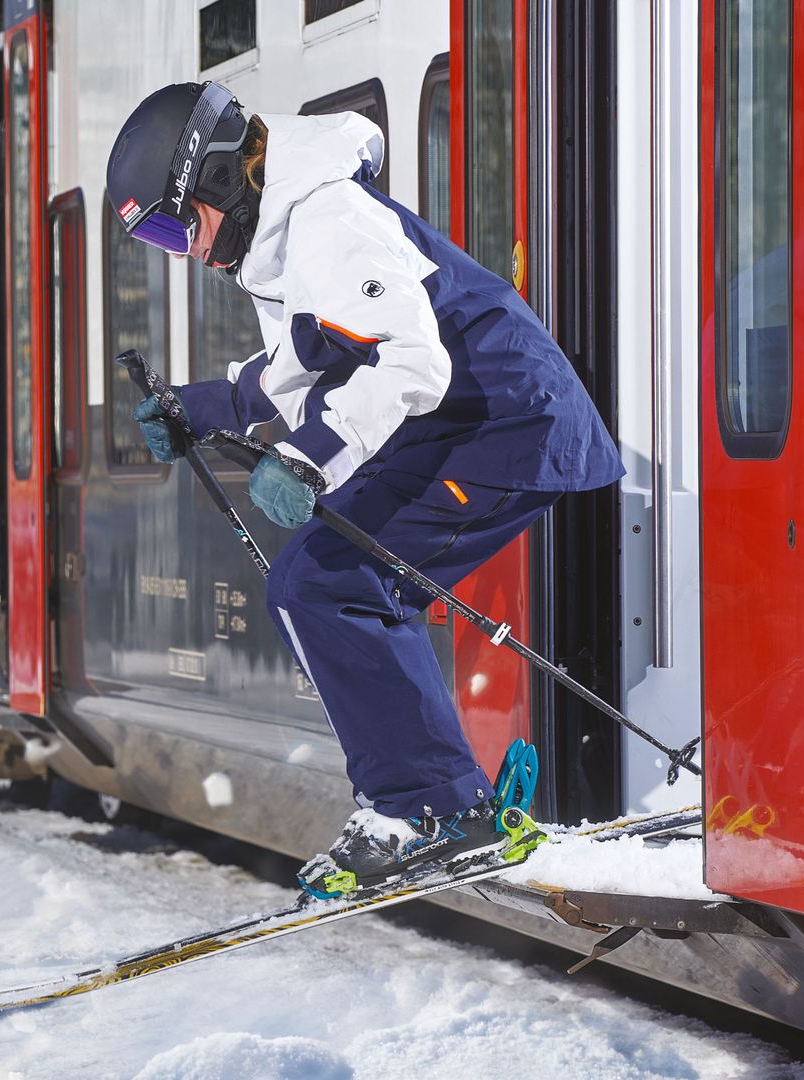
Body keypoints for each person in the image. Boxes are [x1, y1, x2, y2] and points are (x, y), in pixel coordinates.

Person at [104, 82, 622, 897]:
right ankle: (426, 801)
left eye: (177, 226)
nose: (185, 252)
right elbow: (308, 363)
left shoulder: (327, 218)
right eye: (161, 242)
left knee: (328, 582)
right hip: (467, 424)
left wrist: (308, 458)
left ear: (215, 179)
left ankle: (433, 810)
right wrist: (201, 408)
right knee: (321, 581)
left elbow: (413, 362)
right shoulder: (280, 241)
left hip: (506, 424)